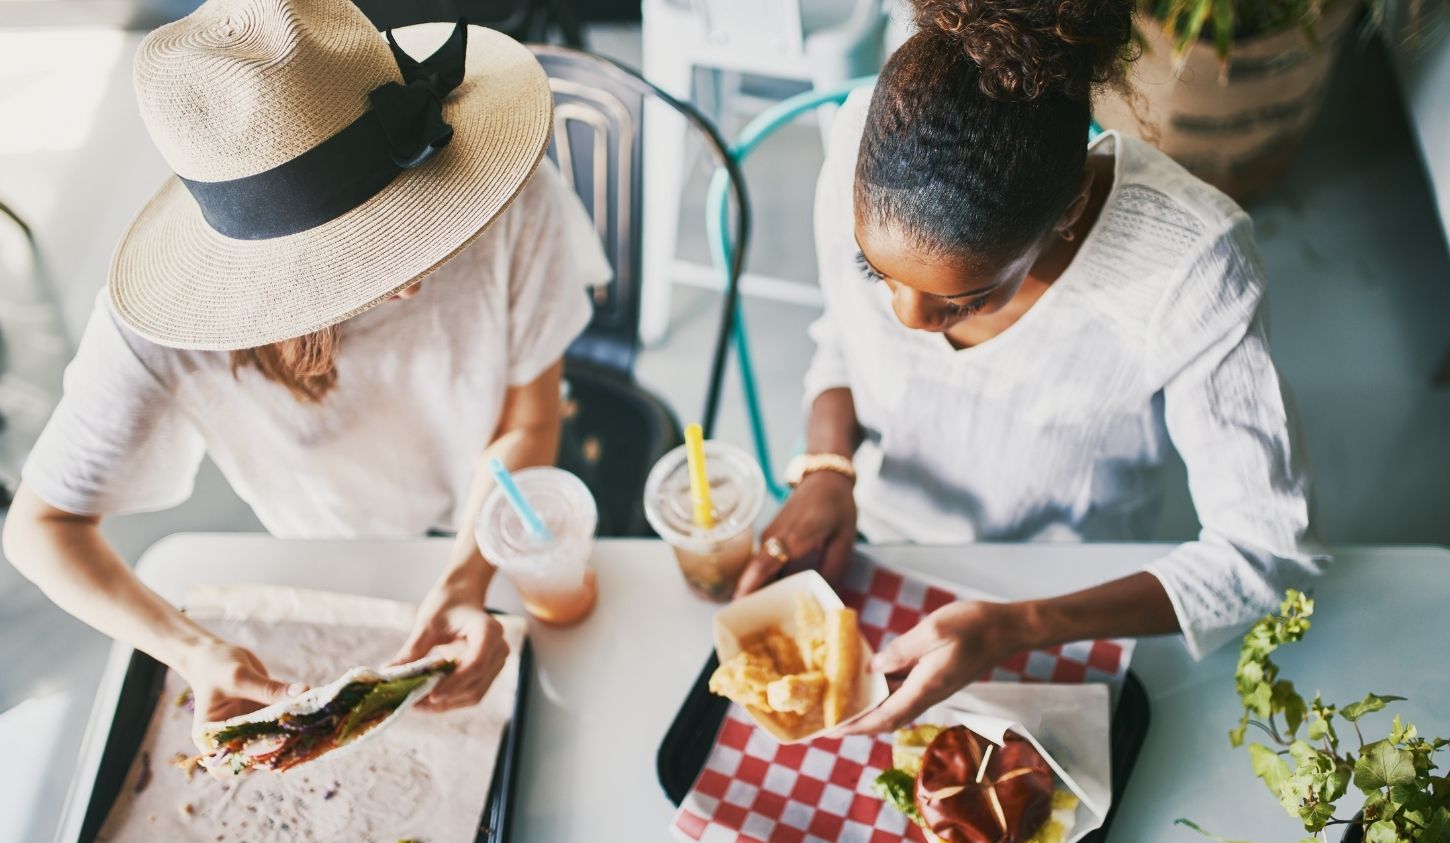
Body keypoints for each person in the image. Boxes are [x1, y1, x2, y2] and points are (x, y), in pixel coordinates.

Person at [2, 1, 608, 731]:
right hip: (331, 550)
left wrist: (465, 578)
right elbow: (40, 528)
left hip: (489, 522)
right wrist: (191, 649)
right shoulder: (167, 324)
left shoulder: (509, 197)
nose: (417, 271)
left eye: (421, 213)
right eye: (364, 250)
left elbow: (531, 415)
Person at [735, 0, 1326, 732]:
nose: (905, 320)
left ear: (1071, 208)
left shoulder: (1190, 266)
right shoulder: (864, 141)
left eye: (965, 300)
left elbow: (1266, 553)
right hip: (880, 540)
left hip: (1073, 583)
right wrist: (828, 467)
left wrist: (1017, 625)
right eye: (874, 271)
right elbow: (842, 340)